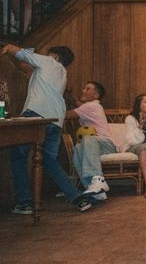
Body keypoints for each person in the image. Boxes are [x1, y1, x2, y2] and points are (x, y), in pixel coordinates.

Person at [1, 43, 92, 213]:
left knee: (18, 156)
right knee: (49, 161)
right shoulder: (62, 74)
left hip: (36, 116)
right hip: (56, 121)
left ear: (54, 57)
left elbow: (20, 54)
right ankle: (78, 197)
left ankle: (25, 202)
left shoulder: (48, 63)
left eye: (47, 54)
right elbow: (27, 66)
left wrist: (6, 47)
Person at [68, 81, 118, 201]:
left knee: (88, 139)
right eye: (84, 88)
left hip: (107, 144)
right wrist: (70, 94)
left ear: (96, 95)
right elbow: (77, 103)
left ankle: (98, 180)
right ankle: (94, 190)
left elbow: (68, 115)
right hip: (96, 145)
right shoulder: (90, 106)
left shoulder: (91, 106)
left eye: (87, 88)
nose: (83, 90)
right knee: (78, 148)